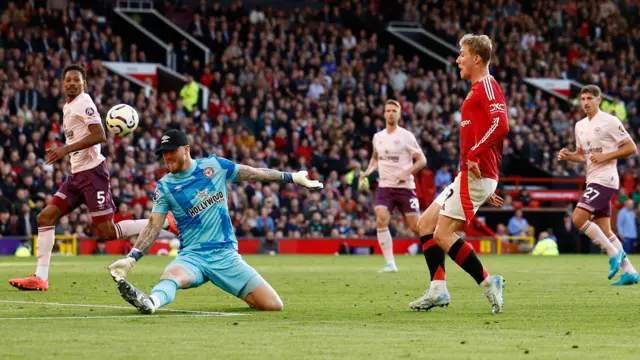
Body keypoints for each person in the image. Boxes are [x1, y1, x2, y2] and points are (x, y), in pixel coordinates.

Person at [108, 129, 323, 313]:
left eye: (171, 151)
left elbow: (254, 173)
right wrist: (132, 258)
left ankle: (238, 288)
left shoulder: (214, 166)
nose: (167, 157)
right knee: (171, 277)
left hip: (226, 256)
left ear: (186, 149)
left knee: (274, 305)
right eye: (164, 153)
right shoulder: (165, 186)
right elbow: (154, 225)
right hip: (192, 256)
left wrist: (291, 177)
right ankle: (151, 302)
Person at [8, 64, 177, 292]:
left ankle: (164, 222)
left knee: (107, 232)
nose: (71, 83)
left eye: (76, 80)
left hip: (93, 174)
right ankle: (40, 277)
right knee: (46, 217)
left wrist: (65, 150)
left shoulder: (83, 102)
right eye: (68, 80)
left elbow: (99, 135)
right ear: (63, 83)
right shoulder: (69, 105)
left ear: (83, 83)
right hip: (77, 175)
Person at [409, 34, 509, 313]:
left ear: (477, 58)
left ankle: (490, 283)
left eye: (462, 54)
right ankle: (438, 290)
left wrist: (477, 156)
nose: (457, 59)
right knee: (425, 224)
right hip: (470, 174)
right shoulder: (476, 89)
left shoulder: (487, 85)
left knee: (442, 234)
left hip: (476, 172)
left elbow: (501, 125)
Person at [558, 84, 638, 285]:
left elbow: (631, 147)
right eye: (582, 99)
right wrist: (569, 156)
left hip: (606, 179)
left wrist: (607, 156)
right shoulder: (579, 126)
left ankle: (613, 255)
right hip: (592, 179)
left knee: (578, 218)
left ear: (599, 99)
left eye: (589, 99)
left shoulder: (610, 121)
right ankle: (630, 272)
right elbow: (583, 156)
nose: (585, 103)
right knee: (605, 228)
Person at [359, 99, 427, 273]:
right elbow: (375, 158)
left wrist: (406, 173)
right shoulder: (378, 137)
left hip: (405, 187)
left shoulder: (406, 136)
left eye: (393, 111)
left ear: (399, 114)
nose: (390, 113)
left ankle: (439, 248)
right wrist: (368, 171)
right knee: (381, 218)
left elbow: (422, 160)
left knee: (416, 227)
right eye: (388, 110)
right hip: (385, 187)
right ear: (384, 114)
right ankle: (390, 263)